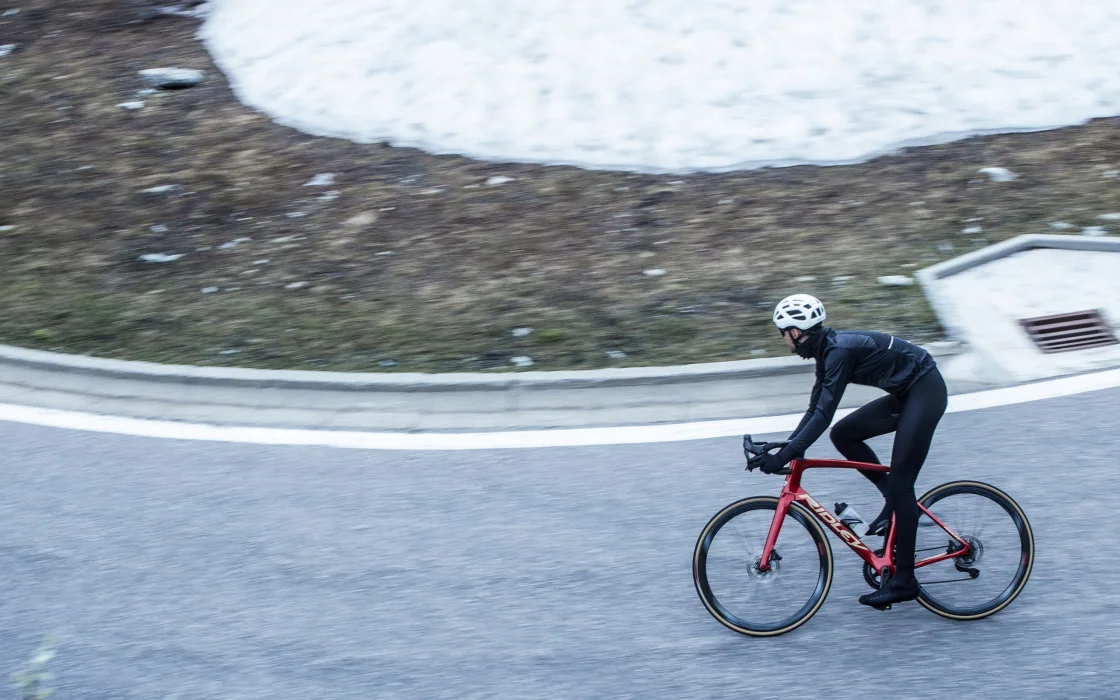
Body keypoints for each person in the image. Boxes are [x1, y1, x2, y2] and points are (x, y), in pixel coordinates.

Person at [749, 293, 948, 609]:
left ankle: (905, 581)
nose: (784, 340)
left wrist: (784, 457)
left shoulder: (838, 352)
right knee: (844, 434)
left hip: (926, 391)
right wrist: (786, 447)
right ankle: (892, 501)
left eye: (783, 333)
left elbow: (823, 414)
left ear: (796, 332)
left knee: (902, 484)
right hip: (907, 394)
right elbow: (814, 409)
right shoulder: (827, 353)